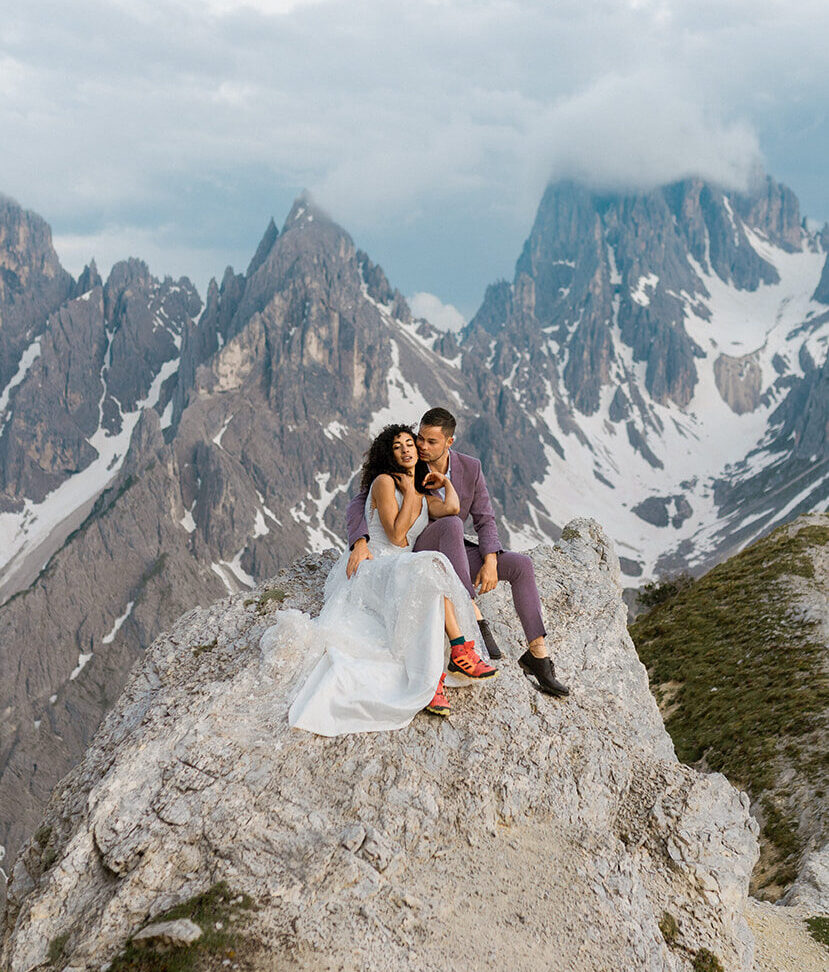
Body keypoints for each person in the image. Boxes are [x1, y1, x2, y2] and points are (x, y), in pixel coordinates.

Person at [263, 424, 497, 737]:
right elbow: (397, 535)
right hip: (375, 565)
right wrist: (412, 492)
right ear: (389, 455)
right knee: (431, 568)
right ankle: (452, 656)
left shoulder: (423, 493)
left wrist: (442, 482)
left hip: (400, 566)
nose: (406, 450)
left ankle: (451, 658)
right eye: (397, 446)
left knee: (432, 577)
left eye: (409, 444)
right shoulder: (385, 482)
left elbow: (453, 509)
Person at [346, 407, 569, 698]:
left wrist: (490, 560)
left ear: (449, 442)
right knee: (451, 524)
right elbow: (358, 502)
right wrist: (359, 541)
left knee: (521, 565)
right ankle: (472, 614)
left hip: (458, 552)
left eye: (431, 442)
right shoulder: (408, 467)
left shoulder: (470, 467)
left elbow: (485, 518)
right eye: (420, 439)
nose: (422, 447)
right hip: (422, 550)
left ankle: (538, 657)